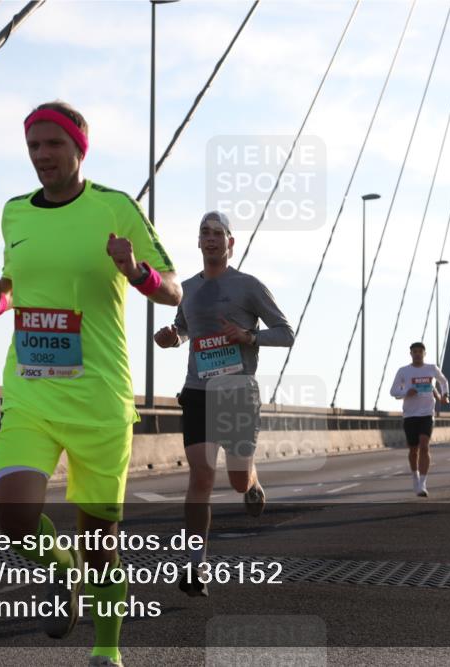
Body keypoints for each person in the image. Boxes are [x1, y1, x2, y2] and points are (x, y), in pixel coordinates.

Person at [0, 101, 181, 667]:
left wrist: (137, 272)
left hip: (99, 400)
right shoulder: (15, 213)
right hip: (31, 392)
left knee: (100, 545)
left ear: (78, 149)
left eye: (52, 145)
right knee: (14, 520)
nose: (41, 156)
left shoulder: (115, 208)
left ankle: (105, 652)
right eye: (33, 146)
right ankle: (63, 575)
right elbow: (14, 282)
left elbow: (175, 291)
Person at [154, 211, 294, 598]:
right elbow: (184, 329)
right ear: (198, 242)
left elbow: (286, 333)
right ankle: (195, 565)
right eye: (205, 233)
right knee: (201, 475)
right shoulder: (187, 289)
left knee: (235, 481)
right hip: (197, 389)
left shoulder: (248, 286)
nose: (211, 239)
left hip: (236, 392)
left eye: (219, 233)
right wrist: (172, 336)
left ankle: (252, 480)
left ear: (230, 243)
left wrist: (248, 336)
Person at [390, 341, 450, 497]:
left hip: (427, 414)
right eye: (414, 351)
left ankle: (423, 483)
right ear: (410, 354)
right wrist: (405, 393)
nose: (417, 354)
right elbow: (393, 391)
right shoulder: (404, 371)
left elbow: (443, 381)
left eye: (420, 351)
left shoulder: (431, 369)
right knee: (413, 450)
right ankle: (415, 476)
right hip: (410, 415)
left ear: (424, 353)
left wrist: (445, 395)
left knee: (424, 445)